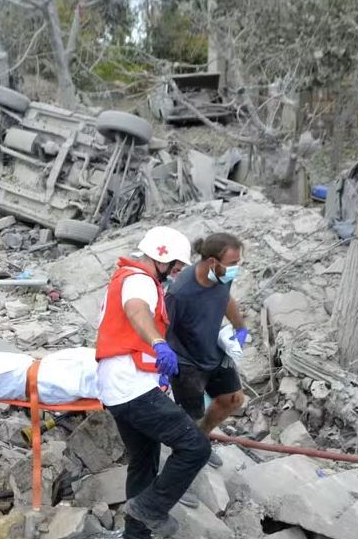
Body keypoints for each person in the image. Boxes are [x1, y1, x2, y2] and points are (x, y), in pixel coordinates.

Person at [96, 226, 210, 539]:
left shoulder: (124, 279)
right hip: (131, 387)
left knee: (144, 463)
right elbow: (136, 310)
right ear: (160, 257)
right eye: (174, 267)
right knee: (195, 447)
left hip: (118, 388)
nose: (175, 273)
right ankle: (149, 510)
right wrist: (159, 342)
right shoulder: (139, 280)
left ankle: (136, 535)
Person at [165, 232, 246, 501]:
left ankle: (201, 440)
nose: (236, 267)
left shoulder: (223, 276)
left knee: (233, 399)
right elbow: (162, 327)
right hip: (186, 362)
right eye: (232, 262)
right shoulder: (180, 292)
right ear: (212, 262)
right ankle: (176, 479)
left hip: (213, 350)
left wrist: (240, 327)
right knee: (190, 418)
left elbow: (226, 300)